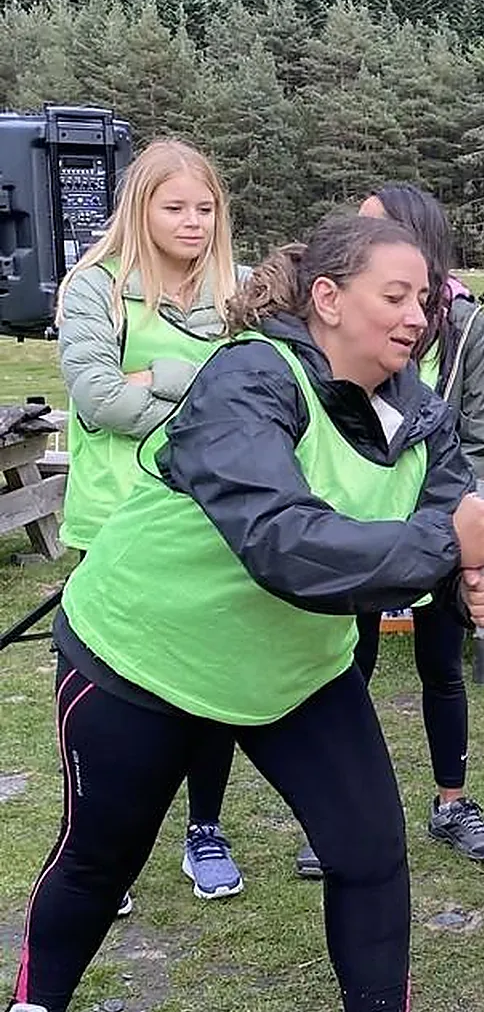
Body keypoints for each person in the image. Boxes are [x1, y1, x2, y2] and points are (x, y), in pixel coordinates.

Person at [8, 213, 484, 1012]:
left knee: (371, 855)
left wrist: (474, 583)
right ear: (327, 298)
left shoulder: (422, 416)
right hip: (143, 656)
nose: (419, 316)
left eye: (425, 298)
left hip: (293, 673)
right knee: (98, 863)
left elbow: (442, 538)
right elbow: (283, 544)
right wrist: (445, 546)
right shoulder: (249, 379)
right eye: (396, 296)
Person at [282, 183, 484, 876]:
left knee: (441, 666)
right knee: (351, 662)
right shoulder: (327, 331)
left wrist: (449, 536)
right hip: (360, 527)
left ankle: (453, 802)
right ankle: (334, 815)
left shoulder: (467, 327)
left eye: (372, 226)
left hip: (442, 521)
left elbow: (479, 437)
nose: (357, 232)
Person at [54, 139, 250, 905]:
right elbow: (99, 399)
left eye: (205, 208)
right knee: (107, 692)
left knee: (209, 683)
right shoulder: (94, 289)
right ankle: (100, 840)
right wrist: (204, 393)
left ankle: (205, 829)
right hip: (112, 521)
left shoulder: (232, 290)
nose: (194, 222)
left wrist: (163, 376)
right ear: (140, 208)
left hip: (206, 517)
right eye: (176, 208)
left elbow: (249, 388)